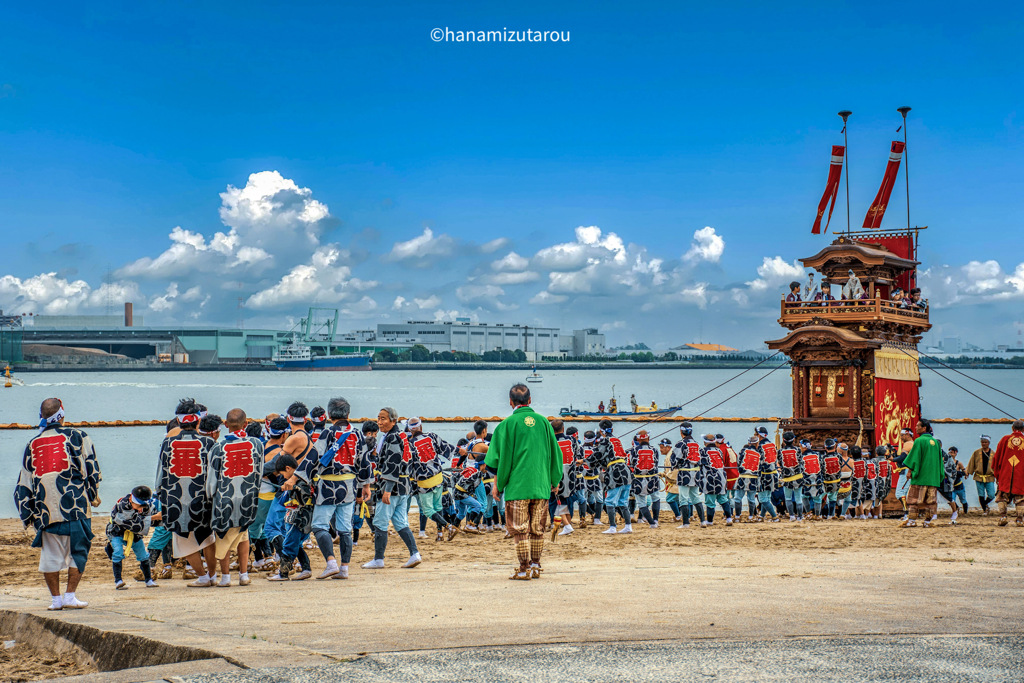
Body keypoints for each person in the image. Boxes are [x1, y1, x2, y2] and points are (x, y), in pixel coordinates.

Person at [15, 398, 102, 610]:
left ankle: (56, 600)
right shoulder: (78, 436)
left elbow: (24, 482)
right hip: (75, 504)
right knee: (79, 551)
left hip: (45, 509)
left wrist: (27, 513)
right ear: (61, 415)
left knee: (50, 556)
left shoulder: (32, 443)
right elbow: (91, 468)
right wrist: (93, 494)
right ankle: (70, 595)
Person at [484, 383, 563, 580]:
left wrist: (498, 485)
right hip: (541, 485)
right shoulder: (544, 423)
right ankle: (536, 565)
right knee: (537, 528)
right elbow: (556, 454)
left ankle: (523, 567)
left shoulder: (506, 425)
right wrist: (555, 480)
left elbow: (496, 460)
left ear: (510, 402)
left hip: (518, 487)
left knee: (520, 530)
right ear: (530, 400)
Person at [307, 397, 372, 580]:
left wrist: (298, 477)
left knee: (319, 526)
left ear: (328, 415)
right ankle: (344, 568)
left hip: (327, 485)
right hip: (349, 486)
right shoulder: (357, 434)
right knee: (345, 529)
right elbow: (364, 462)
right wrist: (366, 485)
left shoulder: (327, 433)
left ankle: (331, 563)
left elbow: (314, 458)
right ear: (348, 414)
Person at [156, 398, 218, 587]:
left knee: (183, 541)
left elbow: (160, 475)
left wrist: (161, 494)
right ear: (198, 421)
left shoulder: (168, 443)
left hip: (176, 499)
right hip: (203, 498)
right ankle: (213, 575)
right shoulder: (209, 443)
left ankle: (202, 577)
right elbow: (214, 474)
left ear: (179, 421)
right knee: (208, 538)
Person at [205, 408, 264, 586]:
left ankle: (225, 577)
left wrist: (210, 496)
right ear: (246, 424)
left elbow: (212, 479)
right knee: (243, 536)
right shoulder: (256, 444)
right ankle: (244, 575)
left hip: (225, 499)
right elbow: (259, 472)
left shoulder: (218, 448)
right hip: (247, 498)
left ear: (225, 425)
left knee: (223, 537)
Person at [362, 406, 421, 570]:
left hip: (392, 487)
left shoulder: (393, 437)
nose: (379, 422)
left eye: (383, 419)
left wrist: (387, 489)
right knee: (400, 522)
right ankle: (414, 554)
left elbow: (392, 463)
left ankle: (378, 559)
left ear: (393, 421)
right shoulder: (401, 435)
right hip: (404, 486)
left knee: (380, 522)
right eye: (378, 418)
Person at [407, 417, 460, 541]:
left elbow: (408, 465)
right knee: (438, 507)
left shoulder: (409, 445)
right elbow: (446, 447)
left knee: (428, 511)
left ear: (410, 430)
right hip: (438, 477)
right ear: (421, 427)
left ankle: (449, 526)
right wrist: (459, 451)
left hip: (424, 482)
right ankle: (440, 535)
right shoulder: (431, 436)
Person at [105, 486, 158, 590]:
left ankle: (149, 580)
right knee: (118, 552)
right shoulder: (122, 504)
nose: (140, 508)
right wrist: (153, 517)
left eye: (143, 505)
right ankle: (118, 581)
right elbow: (135, 524)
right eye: (138, 505)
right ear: (131, 499)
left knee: (143, 555)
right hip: (117, 532)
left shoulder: (148, 505)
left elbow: (156, 518)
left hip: (135, 534)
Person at [899, 418, 945, 528]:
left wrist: (910, 471)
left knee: (913, 499)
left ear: (924, 428)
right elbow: (940, 460)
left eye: (918, 426)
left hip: (921, 476)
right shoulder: (936, 443)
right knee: (931, 501)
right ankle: (927, 522)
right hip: (933, 477)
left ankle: (912, 521)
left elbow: (914, 459)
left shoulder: (919, 441)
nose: (916, 428)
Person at [592, 419, 633, 535]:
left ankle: (612, 527)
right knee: (623, 501)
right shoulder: (617, 440)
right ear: (612, 429)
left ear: (601, 431)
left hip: (615, 472)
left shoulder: (605, 440)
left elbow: (597, 456)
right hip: (626, 470)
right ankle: (628, 526)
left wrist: (584, 461)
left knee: (610, 501)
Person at [671, 423, 705, 528]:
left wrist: (674, 466)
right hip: (696, 473)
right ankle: (703, 521)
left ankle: (686, 523)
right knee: (695, 497)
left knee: (683, 498)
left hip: (684, 473)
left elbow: (674, 458)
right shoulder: (696, 443)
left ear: (681, 432)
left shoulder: (680, 444)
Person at [993, 420, 1024, 527]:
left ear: (1012, 428)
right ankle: (1019, 520)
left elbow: (996, 458)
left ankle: (1003, 517)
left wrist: (997, 473)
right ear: (1023, 429)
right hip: (1021, 474)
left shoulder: (1005, 439)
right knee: (1020, 496)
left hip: (1006, 472)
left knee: (1002, 495)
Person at [628, 431, 661, 529]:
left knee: (641, 502)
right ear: (648, 438)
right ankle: (655, 520)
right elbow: (656, 462)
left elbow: (631, 464)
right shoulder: (654, 450)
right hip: (653, 478)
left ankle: (652, 523)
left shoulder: (633, 451)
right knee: (656, 498)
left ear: (638, 440)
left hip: (638, 479)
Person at [699, 434, 732, 526]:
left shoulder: (702, 451)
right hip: (721, 477)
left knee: (710, 501)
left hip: (710, 479)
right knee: (723, 499)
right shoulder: (719, 451)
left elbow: (699, 463)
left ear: (705, 442)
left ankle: (710, 521)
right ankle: (729, 518)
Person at [966, 435, 997, 515]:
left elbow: (997, 466)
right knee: (981, 494)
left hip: (989, 477)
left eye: (985, 442)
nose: (984, 444)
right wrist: (968, 472)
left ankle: (985, 504)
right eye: (982, 442)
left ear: (989, 443)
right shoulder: (976, 453)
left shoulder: (993, 453)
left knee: (991, 494)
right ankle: (985, 510)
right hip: (979, 476)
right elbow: (971, 463)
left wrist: (998, 476)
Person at [733, 436, 761, 523]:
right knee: (751, 499)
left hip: (743, 477)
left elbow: (738, 462)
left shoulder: (743, 451)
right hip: (753, 478)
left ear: (749, 443)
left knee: (737, 498)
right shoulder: (759, 453)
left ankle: (737, 516)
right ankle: (751, 516)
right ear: (757, 443)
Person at [777, 431, 804, 521]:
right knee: (798, 498)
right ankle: (800, 516)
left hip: (787, 478)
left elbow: (780, 463)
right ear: (793, 440)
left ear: (784, 440)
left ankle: (792, 516)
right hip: (798, 477)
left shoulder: (780, 452)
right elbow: (801, 462)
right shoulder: (798, 450)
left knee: (788, 498)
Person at [659, 438, 681, 521]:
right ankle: (688, 516)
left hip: (674, 482)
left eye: (662, 447)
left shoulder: (671, 455)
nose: (660, 450)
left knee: (670, 499)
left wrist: (666, 476)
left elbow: (674, 470)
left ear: (668, 447)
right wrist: (664, 474)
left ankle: (678, 515)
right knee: (682, 499)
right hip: (676, 481)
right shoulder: (671, 454)